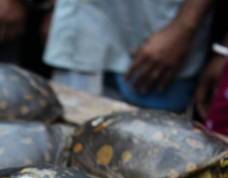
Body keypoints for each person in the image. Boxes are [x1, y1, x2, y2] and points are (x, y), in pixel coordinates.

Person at [43, 0, 214, 112]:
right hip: (81, 25)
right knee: (67, 136)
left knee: (148, 149)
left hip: (156, 36)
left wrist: (184, 25)